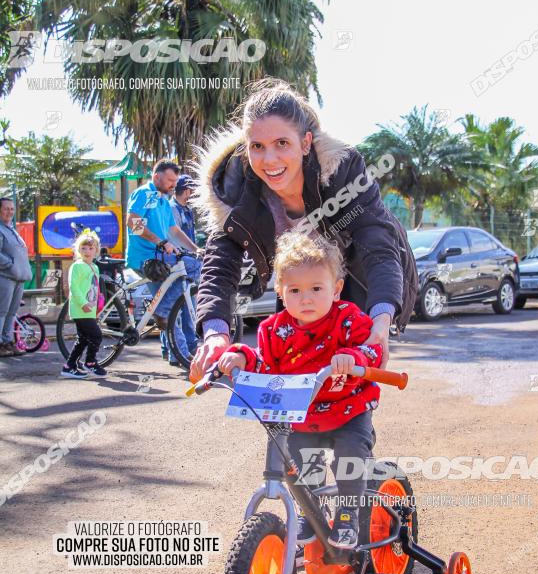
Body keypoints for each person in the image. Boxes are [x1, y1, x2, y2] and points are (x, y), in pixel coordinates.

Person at [190, 78, 418, 382]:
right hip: (297, 286)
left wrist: (380, 320)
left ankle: (352, 429)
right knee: (289, 378)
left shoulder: (342, 172)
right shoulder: (235, 192)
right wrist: (215, 334)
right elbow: (220, 266)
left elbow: (377, 243)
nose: (269, 160)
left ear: (306, 142)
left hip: (355, 282)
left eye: (282, 143)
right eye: (257, 147)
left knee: (345, 386)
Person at [217, 232, 383, 551]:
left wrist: (355, 357)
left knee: (350, 459)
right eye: (294, 290)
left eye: (316, 289)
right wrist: (241, 356)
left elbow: (373, 351)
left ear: (335, 290)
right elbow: (265, 362)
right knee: (300, 462)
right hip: (301, 414)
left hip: (349, 409)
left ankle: (348, 514)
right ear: (280, 291)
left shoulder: (348, 320)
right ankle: (312, 512)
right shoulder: (273, 329)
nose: (306, 299)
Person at [125, 159, 201, 362]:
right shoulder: (146, 194)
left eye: (175, 181)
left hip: (160, 257)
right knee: (170, 303)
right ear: (156, 177)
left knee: (177, 298)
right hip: (146, 258)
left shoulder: (163, 201)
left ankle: (176, 352)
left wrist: (195, 248)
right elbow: (132, 222)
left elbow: (174, 231)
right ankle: (182, 353)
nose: (173, 185)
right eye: (169, 180)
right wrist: (160, 242)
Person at [161, 175, 202, 366]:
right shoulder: (172, 208)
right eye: (192, 190)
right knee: (176, 308)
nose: (193, 194)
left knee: (187, 306)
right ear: (186, 190)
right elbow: (174, 234)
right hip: (177, 261)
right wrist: (190, 251)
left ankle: (186, 348)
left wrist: (195, 250)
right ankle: (174, 351)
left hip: (185, 260)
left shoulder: (186, 209)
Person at [61, 229, 106, 378]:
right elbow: (74, 287)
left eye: (91, 248)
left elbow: (94, 288)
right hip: (80, 309)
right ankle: (90, 362)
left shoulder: (95, 267)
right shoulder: (77, 266)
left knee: (83, 339)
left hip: (89, 309)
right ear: (78, 250)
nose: (87, 251)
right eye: (83, 248)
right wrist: (84, 304)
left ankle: (69, 366)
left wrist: (95, 306)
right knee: (96, 335)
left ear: (96, 250)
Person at [0, 197, 32, 358]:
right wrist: (10, 264)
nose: (9, 212)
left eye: (12, 209)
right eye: (6, 208)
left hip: (18, 278)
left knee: (11, 312)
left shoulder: (10, 229)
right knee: (2, 312)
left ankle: (7, 342)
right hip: (5, 277)